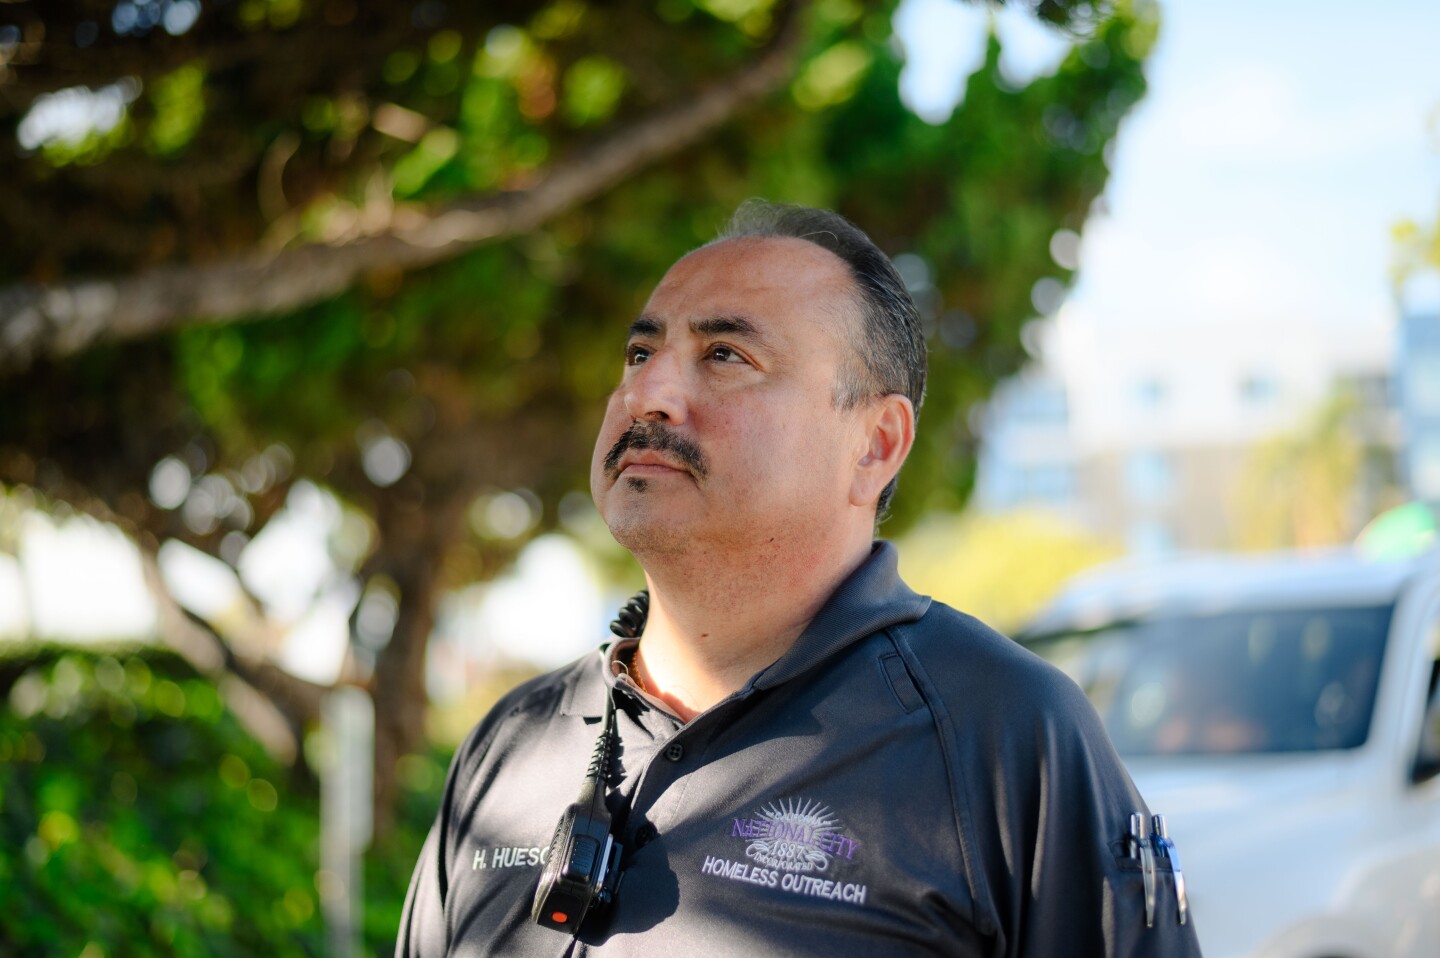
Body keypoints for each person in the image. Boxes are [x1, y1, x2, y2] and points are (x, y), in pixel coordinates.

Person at [396, 201, 1201, 957]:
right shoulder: (512, 743)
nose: (648, 394)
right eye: (641, 353)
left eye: (725, 355)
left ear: (876, 444)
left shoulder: (1003, 740)